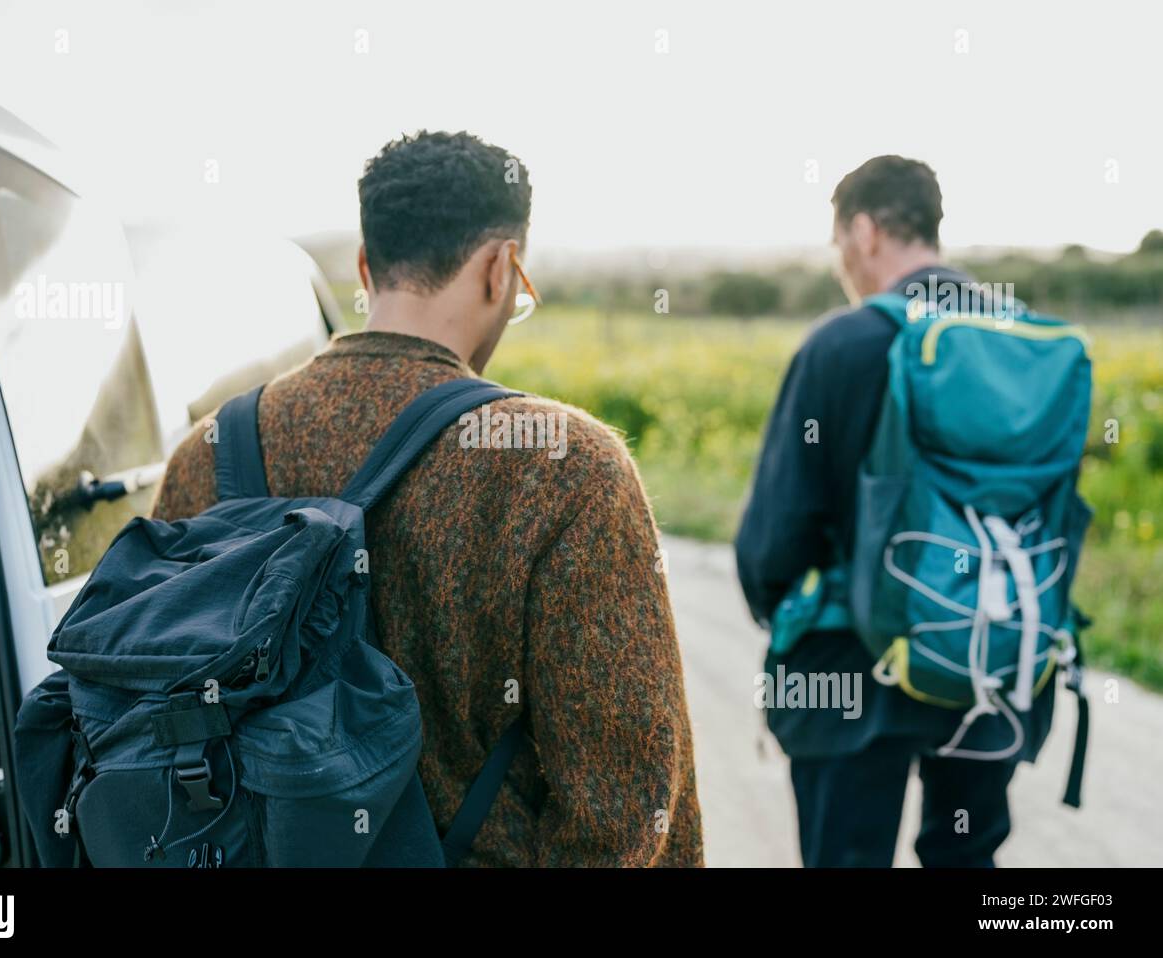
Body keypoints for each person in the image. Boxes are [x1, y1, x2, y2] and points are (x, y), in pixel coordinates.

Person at [152, 130, 702, 867]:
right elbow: (629, 815)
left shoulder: (209, 453)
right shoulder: (567, 468)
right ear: (501, 268)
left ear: (365, 265)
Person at [736, 155, 1054, 867]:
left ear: (865, 230)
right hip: (990, 658)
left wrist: (780, 613)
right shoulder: (1024, 341)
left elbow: (773, 544)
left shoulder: (841, 345)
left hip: (853, 665)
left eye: (839, 241)